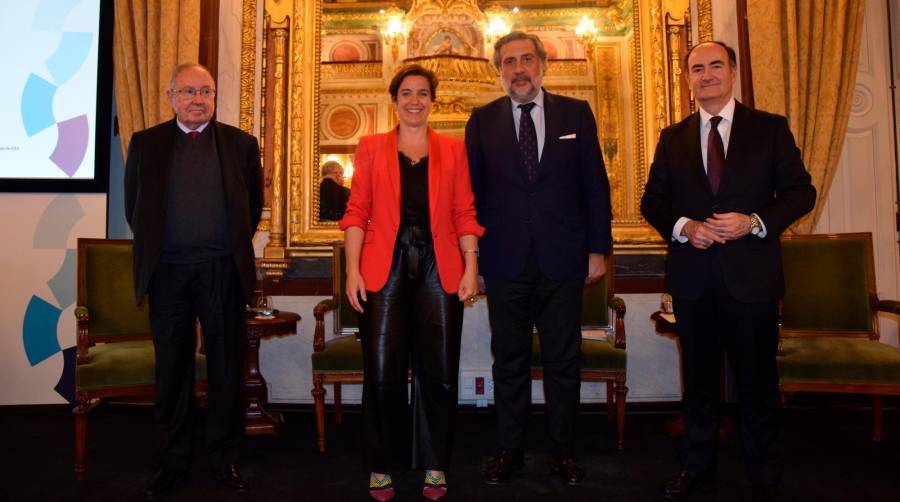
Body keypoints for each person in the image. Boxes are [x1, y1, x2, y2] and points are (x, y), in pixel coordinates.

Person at [640, 41, 816, 501]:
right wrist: (684, 227)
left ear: (733, 73)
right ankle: (697, 469)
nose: (706, 74)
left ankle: (765, 475)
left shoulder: (769, 129)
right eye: (696, 68)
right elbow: (652, 201)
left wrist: (754, 222)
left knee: (758, 385)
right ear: (687, 79)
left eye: (715, 65)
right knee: (698, 385)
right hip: (694, 282)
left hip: (752, 280)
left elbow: (800, 193)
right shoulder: (671, 137)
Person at [465, 31, 612, 486]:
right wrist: (475, 263)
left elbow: (595, 187)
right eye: (508, 62)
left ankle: (563, 450)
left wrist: (597, 249)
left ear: (543, 64)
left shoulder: (576, 113)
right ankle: (510, 450)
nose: (518, 69)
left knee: (563, 361)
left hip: (563, 258)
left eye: (526, 59)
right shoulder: (482, 120)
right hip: (504, 261)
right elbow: (470, 197)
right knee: (507, 361)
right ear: (499, 71)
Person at [339, 64, 484, 501]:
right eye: (407, 93)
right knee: (382, 368)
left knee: (438, 369)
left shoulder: (453, 150)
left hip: (442, 265)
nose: (415, 100)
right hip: (385, 264)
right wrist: (352, 269)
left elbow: (464, 212)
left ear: (432, 101)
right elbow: (356, 212)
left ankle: (434, 463)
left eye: (423, 93)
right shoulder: (369, 147)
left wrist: (472, 266)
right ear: (395, 100)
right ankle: (382, 463)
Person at [124, 63, 263, 498]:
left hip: (222, 270)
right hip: (168, 273)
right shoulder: (145, 144)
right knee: (173, 370)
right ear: (170, 97)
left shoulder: (242, 145)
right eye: (188, 91)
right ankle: (173, 461)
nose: (198, 99)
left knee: (225, 369)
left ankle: (223, 459)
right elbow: (136, 208)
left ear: (215, 96)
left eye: (206, 91)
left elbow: (251, 208)